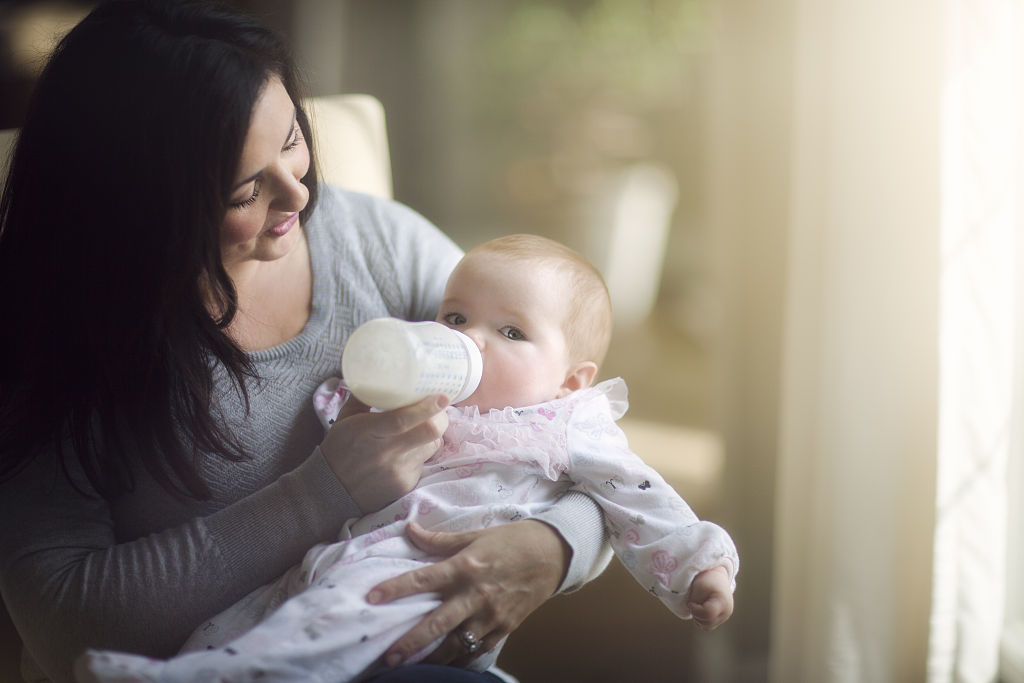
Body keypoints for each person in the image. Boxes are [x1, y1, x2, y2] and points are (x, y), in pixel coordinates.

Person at [0, 3, 612, 682]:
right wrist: (325, 490)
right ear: (143, 204)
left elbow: (573, 412)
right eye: (244, 189)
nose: (298, 194)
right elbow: (64, 624)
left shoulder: (376, 243)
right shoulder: (45, 329)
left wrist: (555, 545)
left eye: (292, 139)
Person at [79, 235, 739, 683]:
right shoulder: (430, 398)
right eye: (455, 316)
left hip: (426, 583)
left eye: (511, 332)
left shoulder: (568, 422)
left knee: (322, 625)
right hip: (344, 556)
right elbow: (346, 417)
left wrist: (702, 566)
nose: (470, 339)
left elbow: (640, 497)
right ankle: (188, 665)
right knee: (252, 614)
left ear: (570, 379)